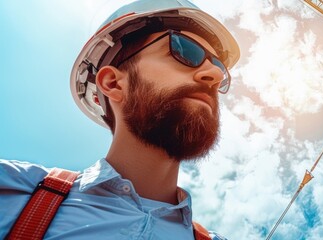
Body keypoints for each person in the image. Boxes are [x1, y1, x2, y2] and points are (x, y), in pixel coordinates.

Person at [0, 0, 240, 239]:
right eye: (184, 50)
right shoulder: (12, 191)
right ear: (112, 83)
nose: (216, 75)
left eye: (219, 67)